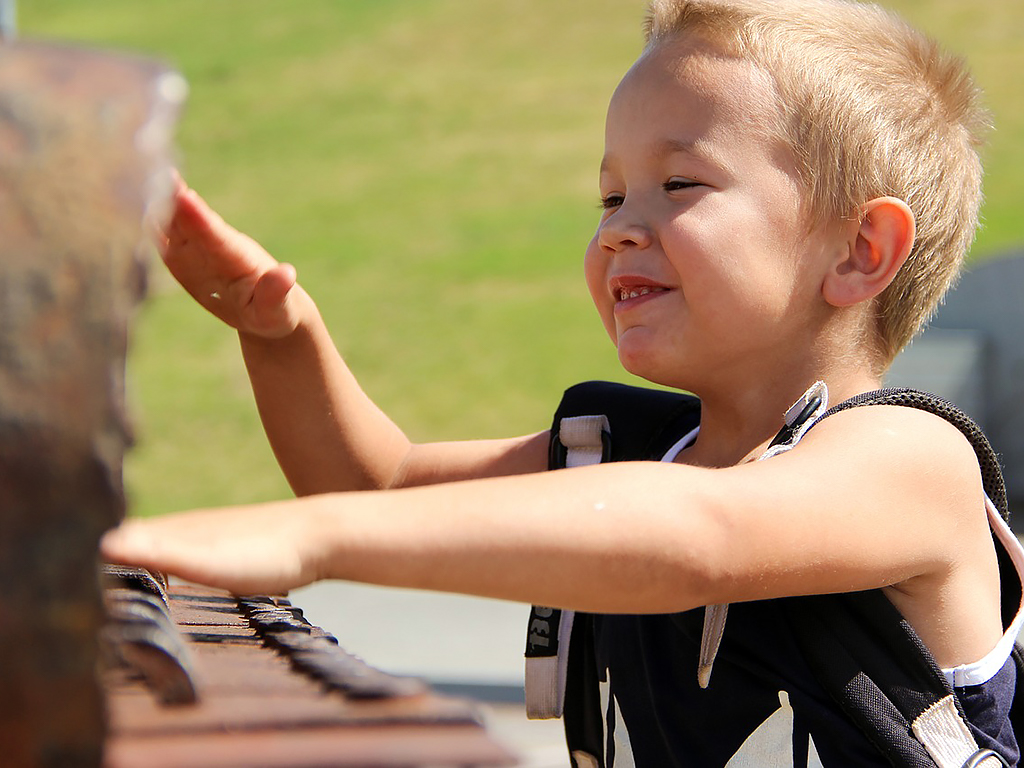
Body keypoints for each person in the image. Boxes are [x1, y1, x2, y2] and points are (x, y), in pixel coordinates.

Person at [102, 0, 1022, 764]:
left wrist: (312, 539)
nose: (623, 227)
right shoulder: (621, 457)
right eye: (612, 196)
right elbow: (374, 488)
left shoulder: (907, 459)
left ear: (861, 252)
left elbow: (702, 537)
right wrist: (281, 333)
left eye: (681, 184)